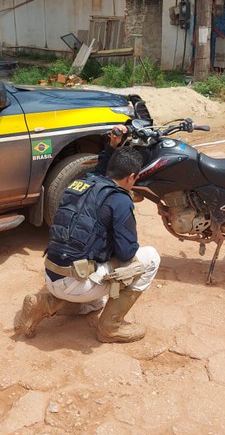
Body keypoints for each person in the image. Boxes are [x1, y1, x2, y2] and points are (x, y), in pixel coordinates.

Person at [16, 125, 160, 343]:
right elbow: (125, 253)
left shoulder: (82, 182)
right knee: (150, 257)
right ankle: (110, 328)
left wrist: (112, 146)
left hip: (52, 273)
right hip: (76, 281)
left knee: (96, 304)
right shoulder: (120, 200)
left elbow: (102, 169)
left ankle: (44, 304)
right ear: (131, 177)